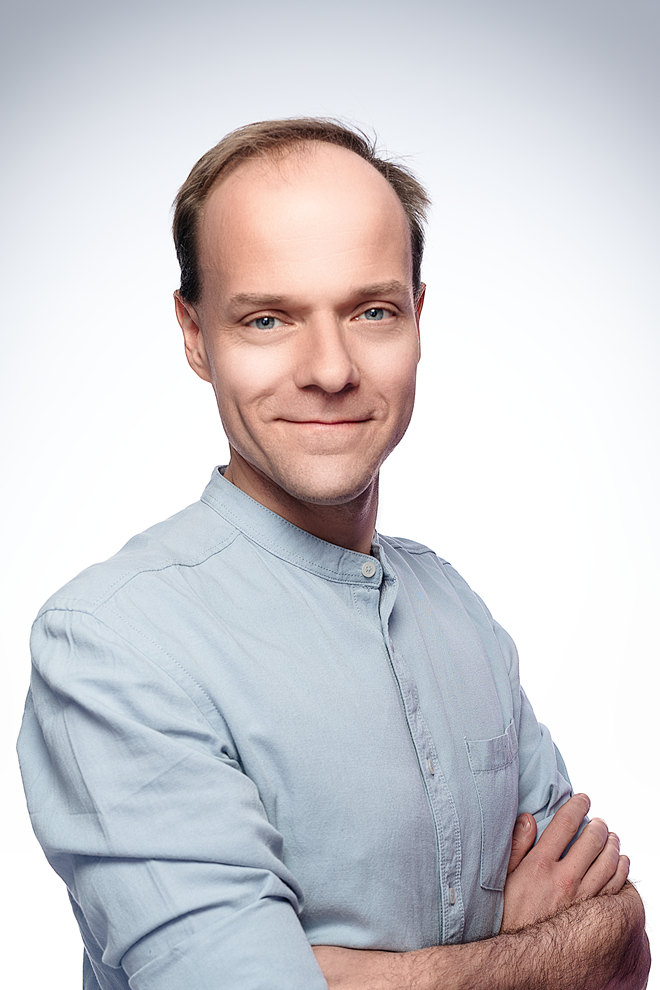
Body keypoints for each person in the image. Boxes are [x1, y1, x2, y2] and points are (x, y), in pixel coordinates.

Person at [18, 118, 649, 990]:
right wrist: (528, 957)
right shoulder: (112, 644)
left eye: (372, 311)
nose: (330, 368)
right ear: (195, 335)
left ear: (419, 318)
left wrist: (359, 971)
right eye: (268, 318)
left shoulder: (456, 609)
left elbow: (623, 943)